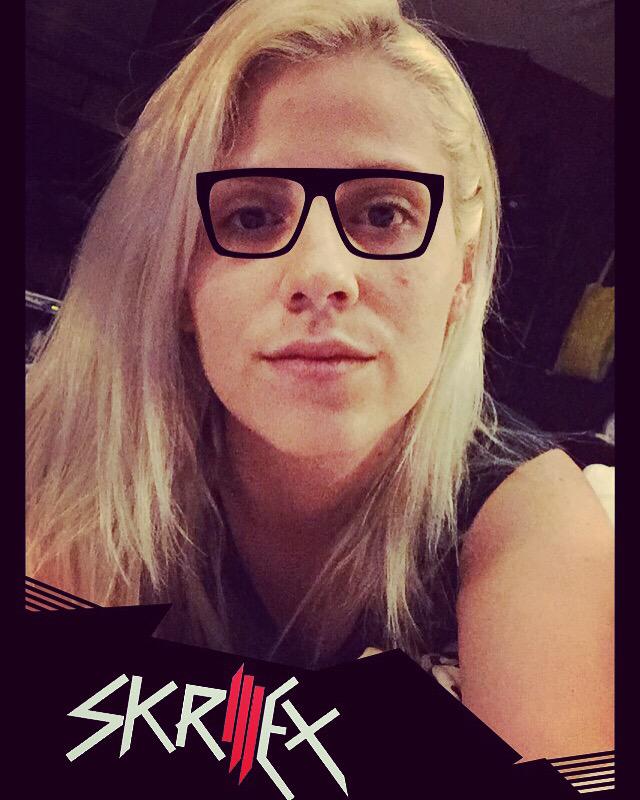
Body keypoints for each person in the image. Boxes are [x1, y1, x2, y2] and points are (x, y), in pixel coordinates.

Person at [26, 0, 613, 762]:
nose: (322, 274)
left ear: (463, 274)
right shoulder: (73, 468)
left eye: (383, 213)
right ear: (175, 281)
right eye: (251, 217)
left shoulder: (531, 520)